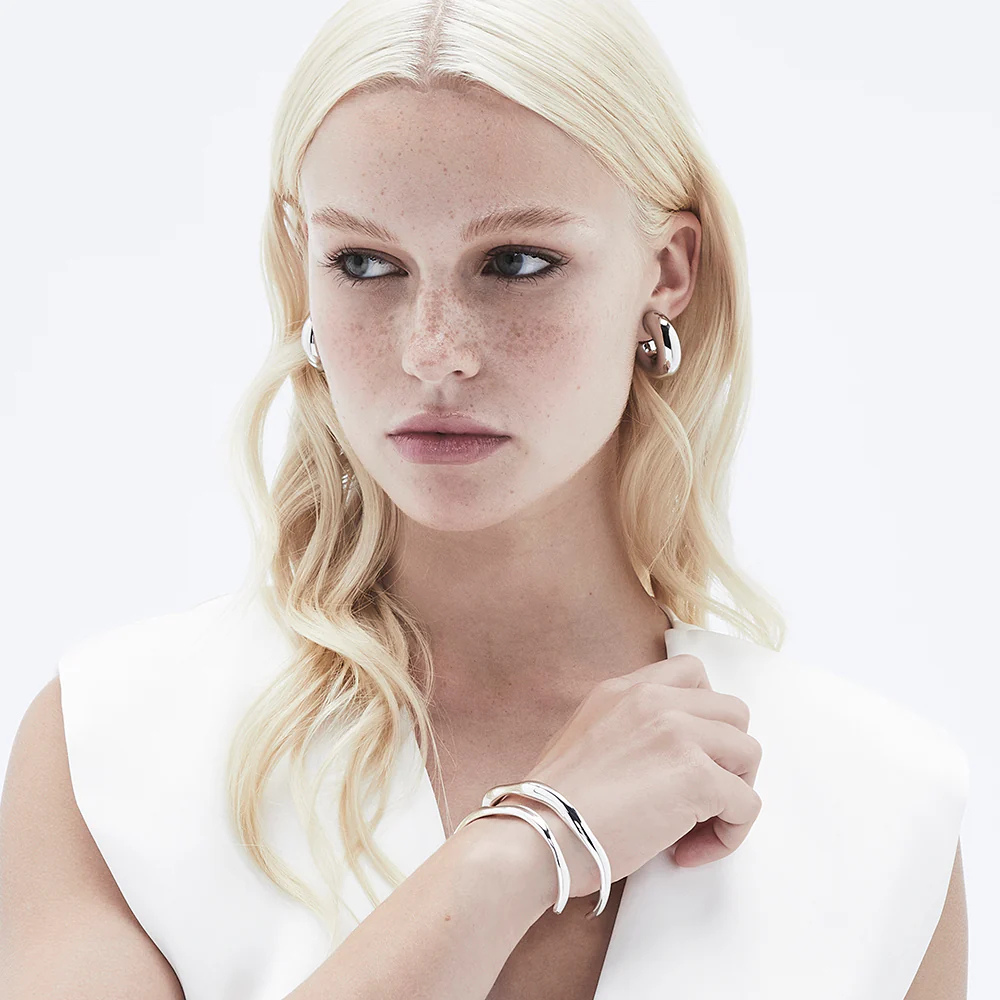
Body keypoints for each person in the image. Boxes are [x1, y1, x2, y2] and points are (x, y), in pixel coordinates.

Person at [0, 1, 969, 998]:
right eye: (364, 263)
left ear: (667, 272)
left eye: (515, 263)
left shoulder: (877, 805)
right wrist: (523, 848)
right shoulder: (117, 750)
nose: (434, 353)